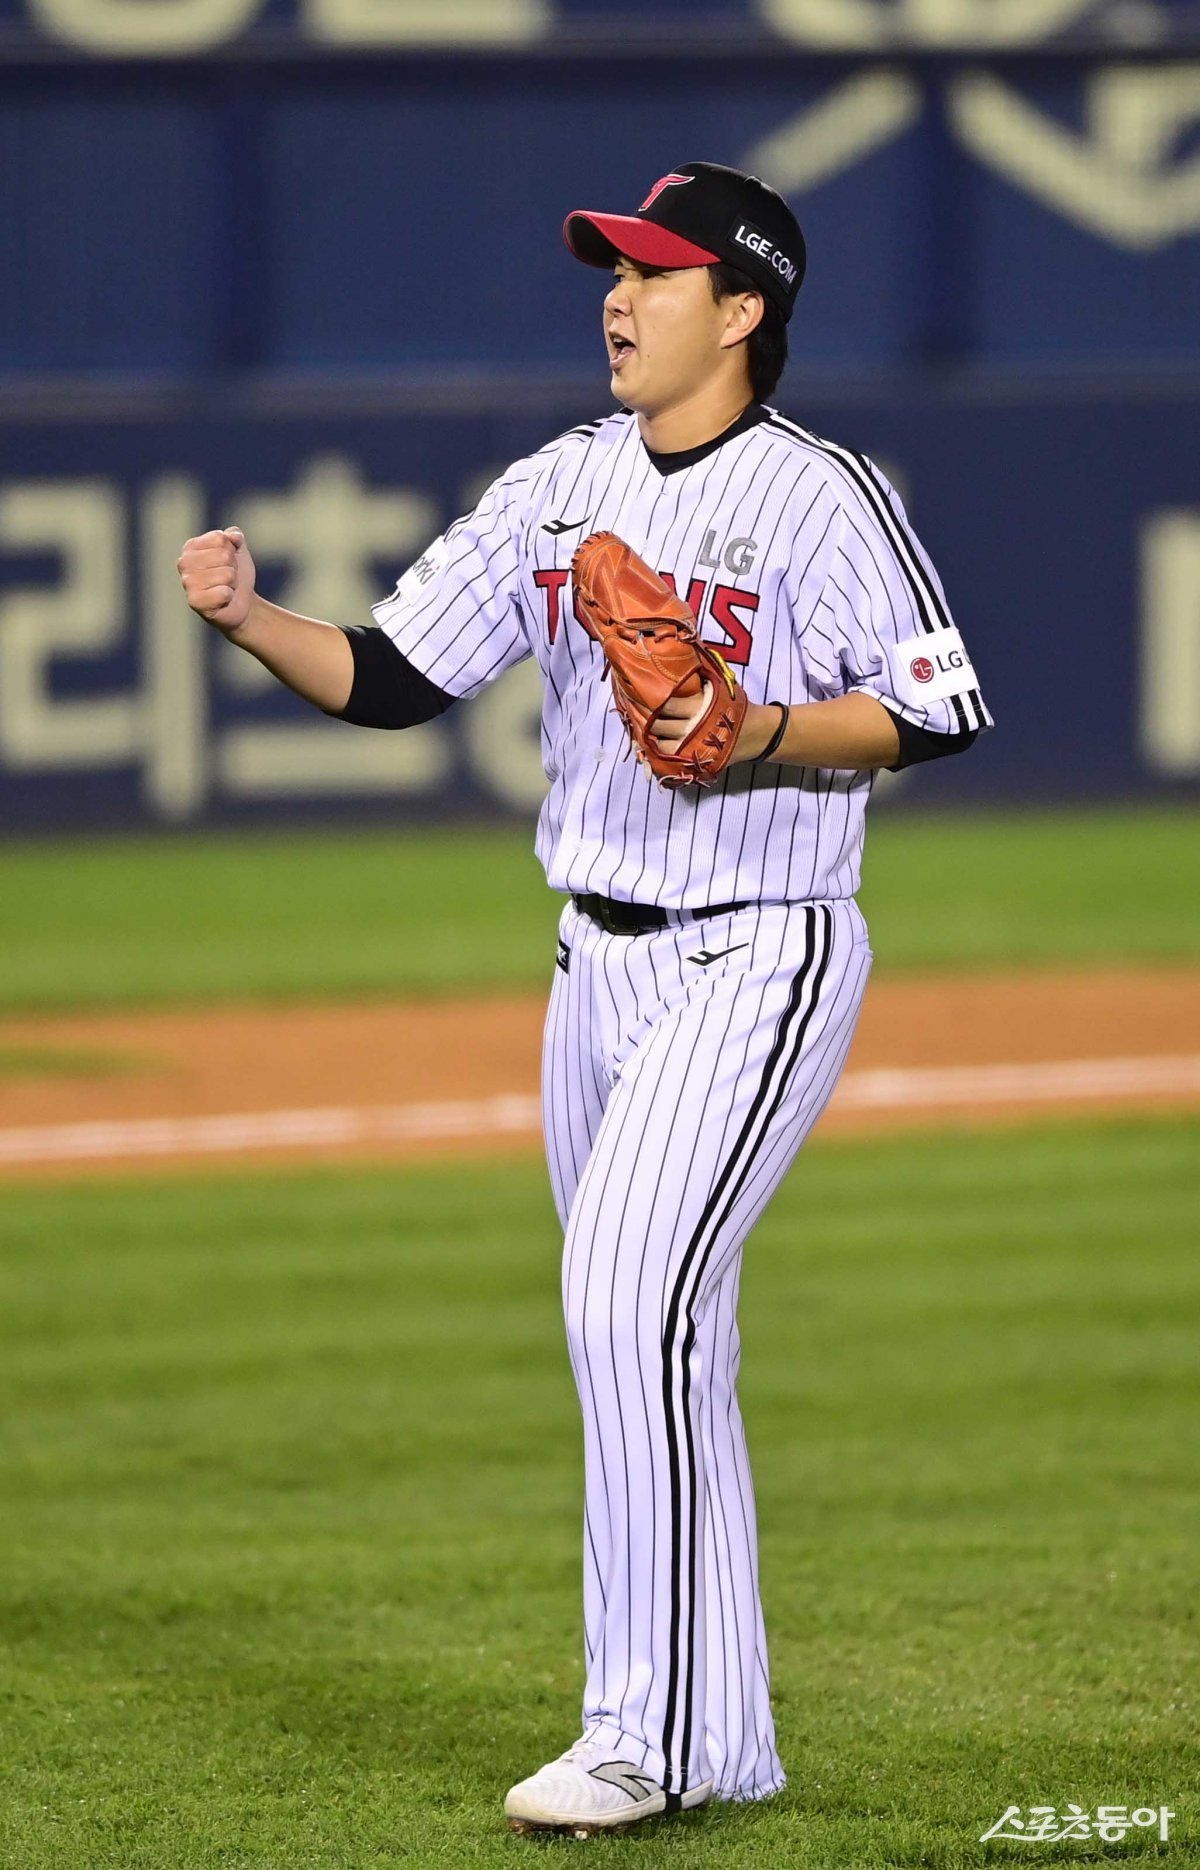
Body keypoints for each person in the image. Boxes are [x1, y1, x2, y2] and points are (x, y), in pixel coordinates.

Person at [178, 160, 991, 1838]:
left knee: (629, 1305)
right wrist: (252, 617)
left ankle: (644, 1736)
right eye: (613, 271)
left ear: (743, 307)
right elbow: (393, 676)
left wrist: (763, 730)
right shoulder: (559, 485)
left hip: (759, 948)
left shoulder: (822, 496)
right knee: (662, 1341)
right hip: (592, 966)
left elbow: (939, 707)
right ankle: (723, 1736)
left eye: (657, 273)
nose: (618, 298)